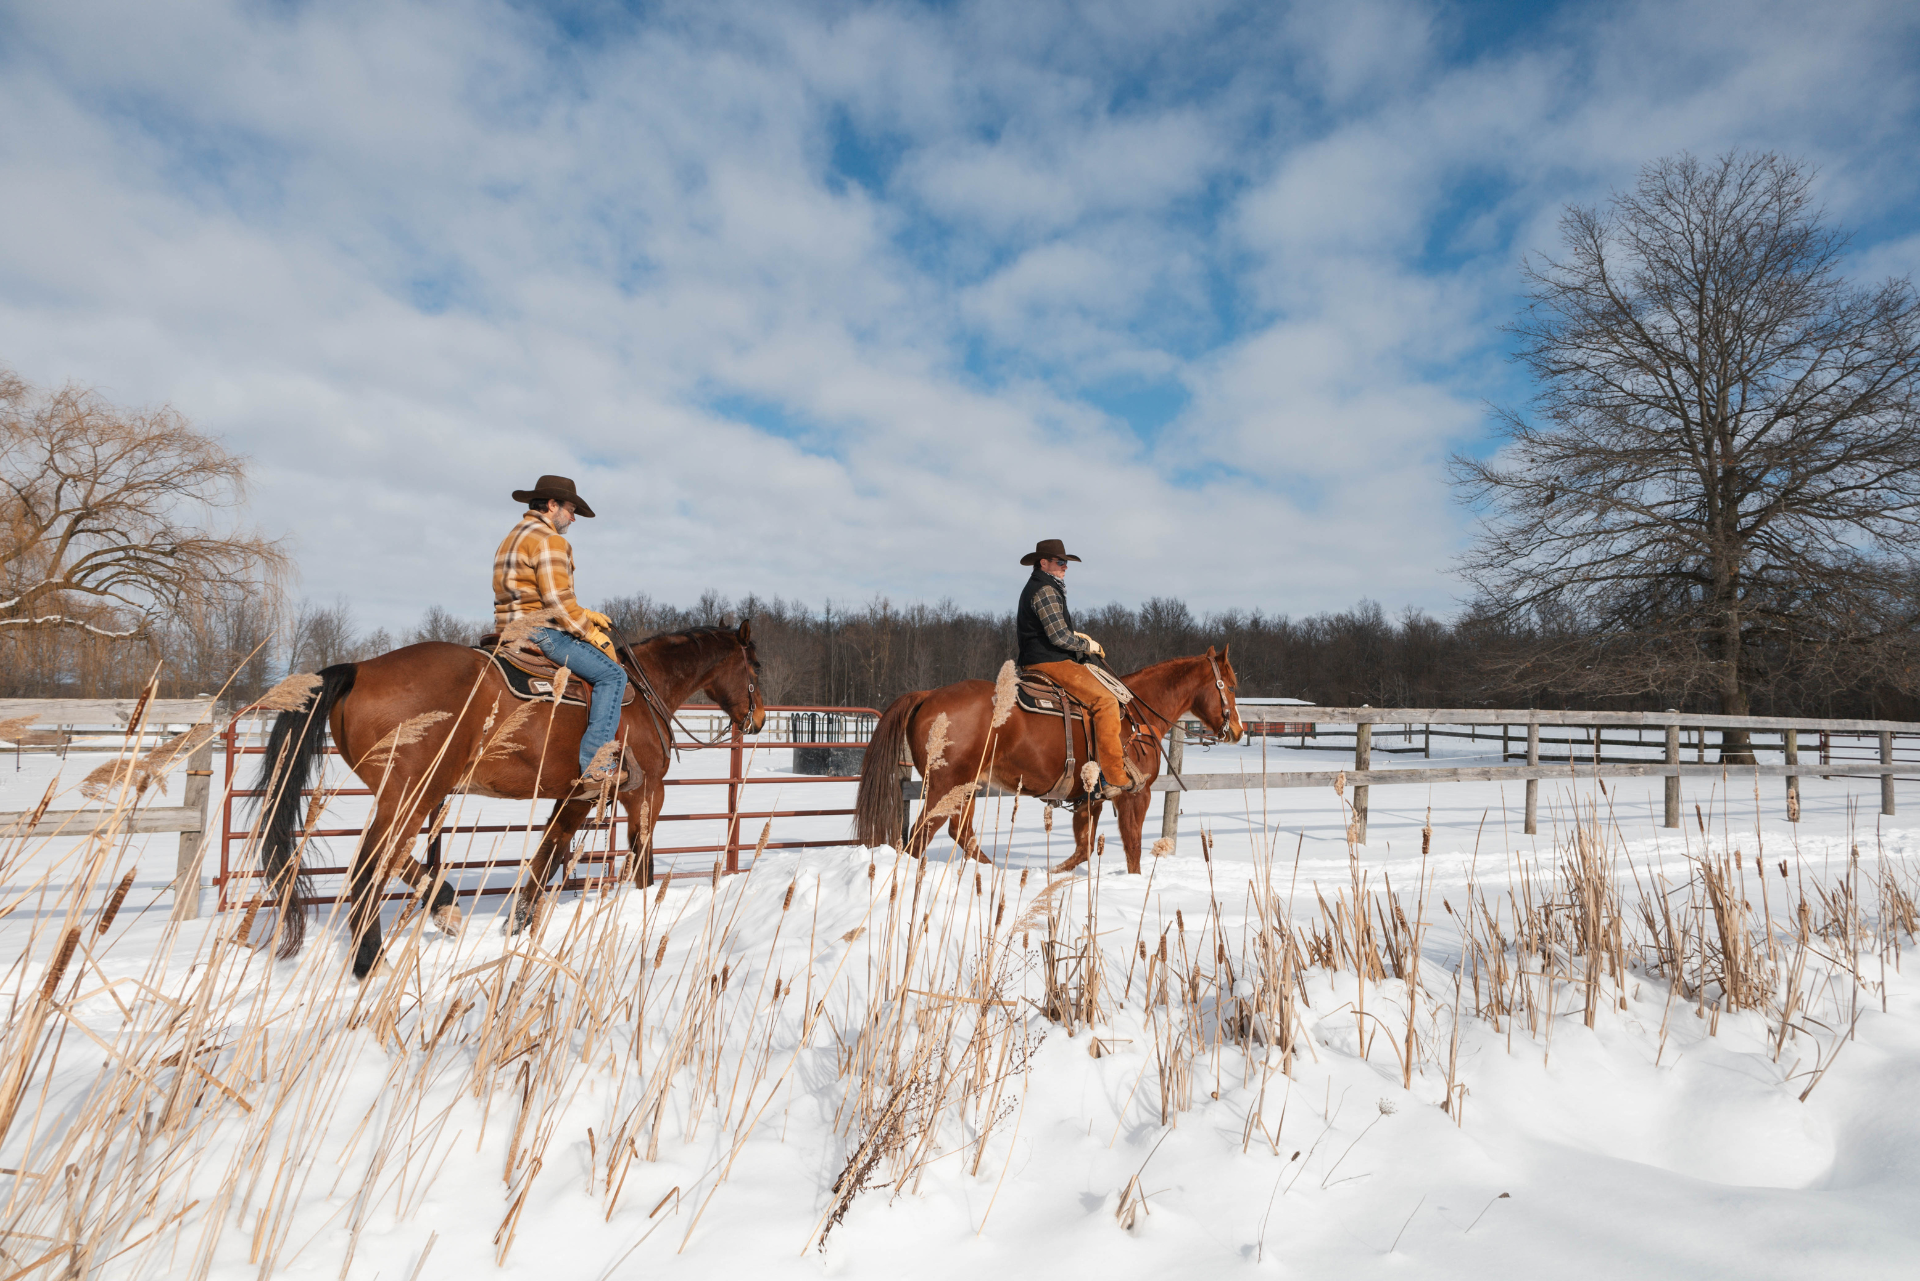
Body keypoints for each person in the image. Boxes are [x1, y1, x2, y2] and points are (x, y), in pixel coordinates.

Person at [493, 475, 629, 784]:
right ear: (552, 505)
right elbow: (556, 599)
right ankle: (598, 766)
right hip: (540, 633)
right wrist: (588, 631)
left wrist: (586, 614)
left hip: (506, 630)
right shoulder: (550, 540)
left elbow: (532, 592)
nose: (572, 518)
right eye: (570, 509)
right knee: (613, 675)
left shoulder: (512, 537)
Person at [1014, 538, 1133, 797]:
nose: (1065, 566)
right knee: (1106, 700)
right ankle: (1112, 775)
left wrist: (1078, 639)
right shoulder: (1045, 589)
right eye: (1060, 562)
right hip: (1049, 661)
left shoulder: (1043, 586)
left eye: (1066, 562)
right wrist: (1086, 645)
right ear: (1043, 562)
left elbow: (1056, 631)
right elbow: (1058, 637)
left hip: (1043, 657)